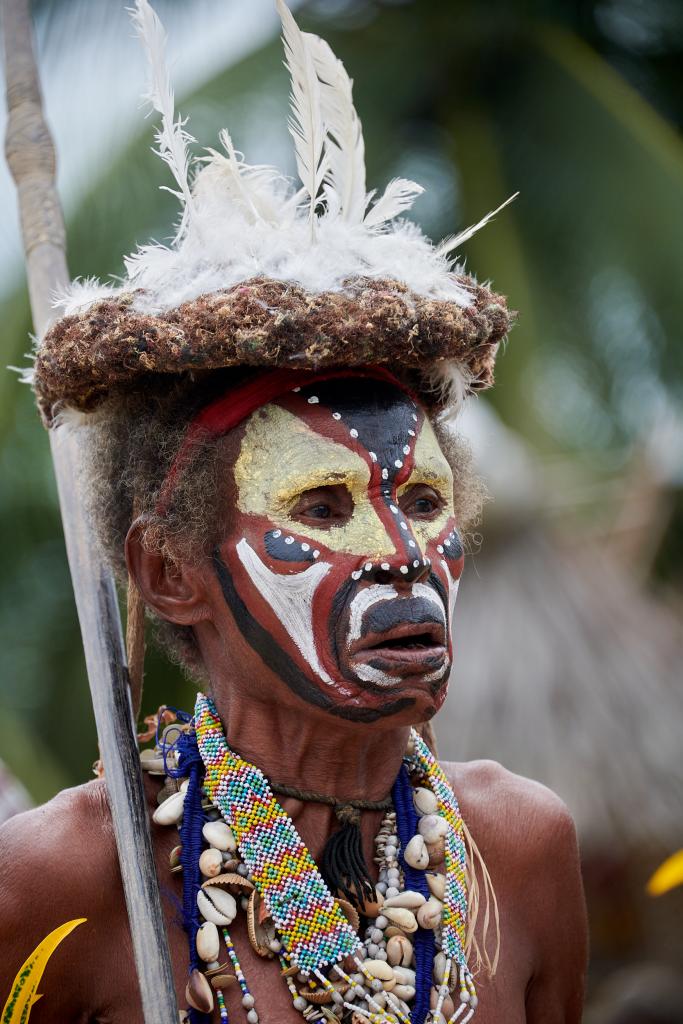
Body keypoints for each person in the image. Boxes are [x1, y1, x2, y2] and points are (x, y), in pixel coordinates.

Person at [0, 2, 587, 1022]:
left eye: (421, 499)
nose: (400, 553)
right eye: (321, 502)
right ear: (165, 570)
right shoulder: (70, 880)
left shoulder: (521, 849)